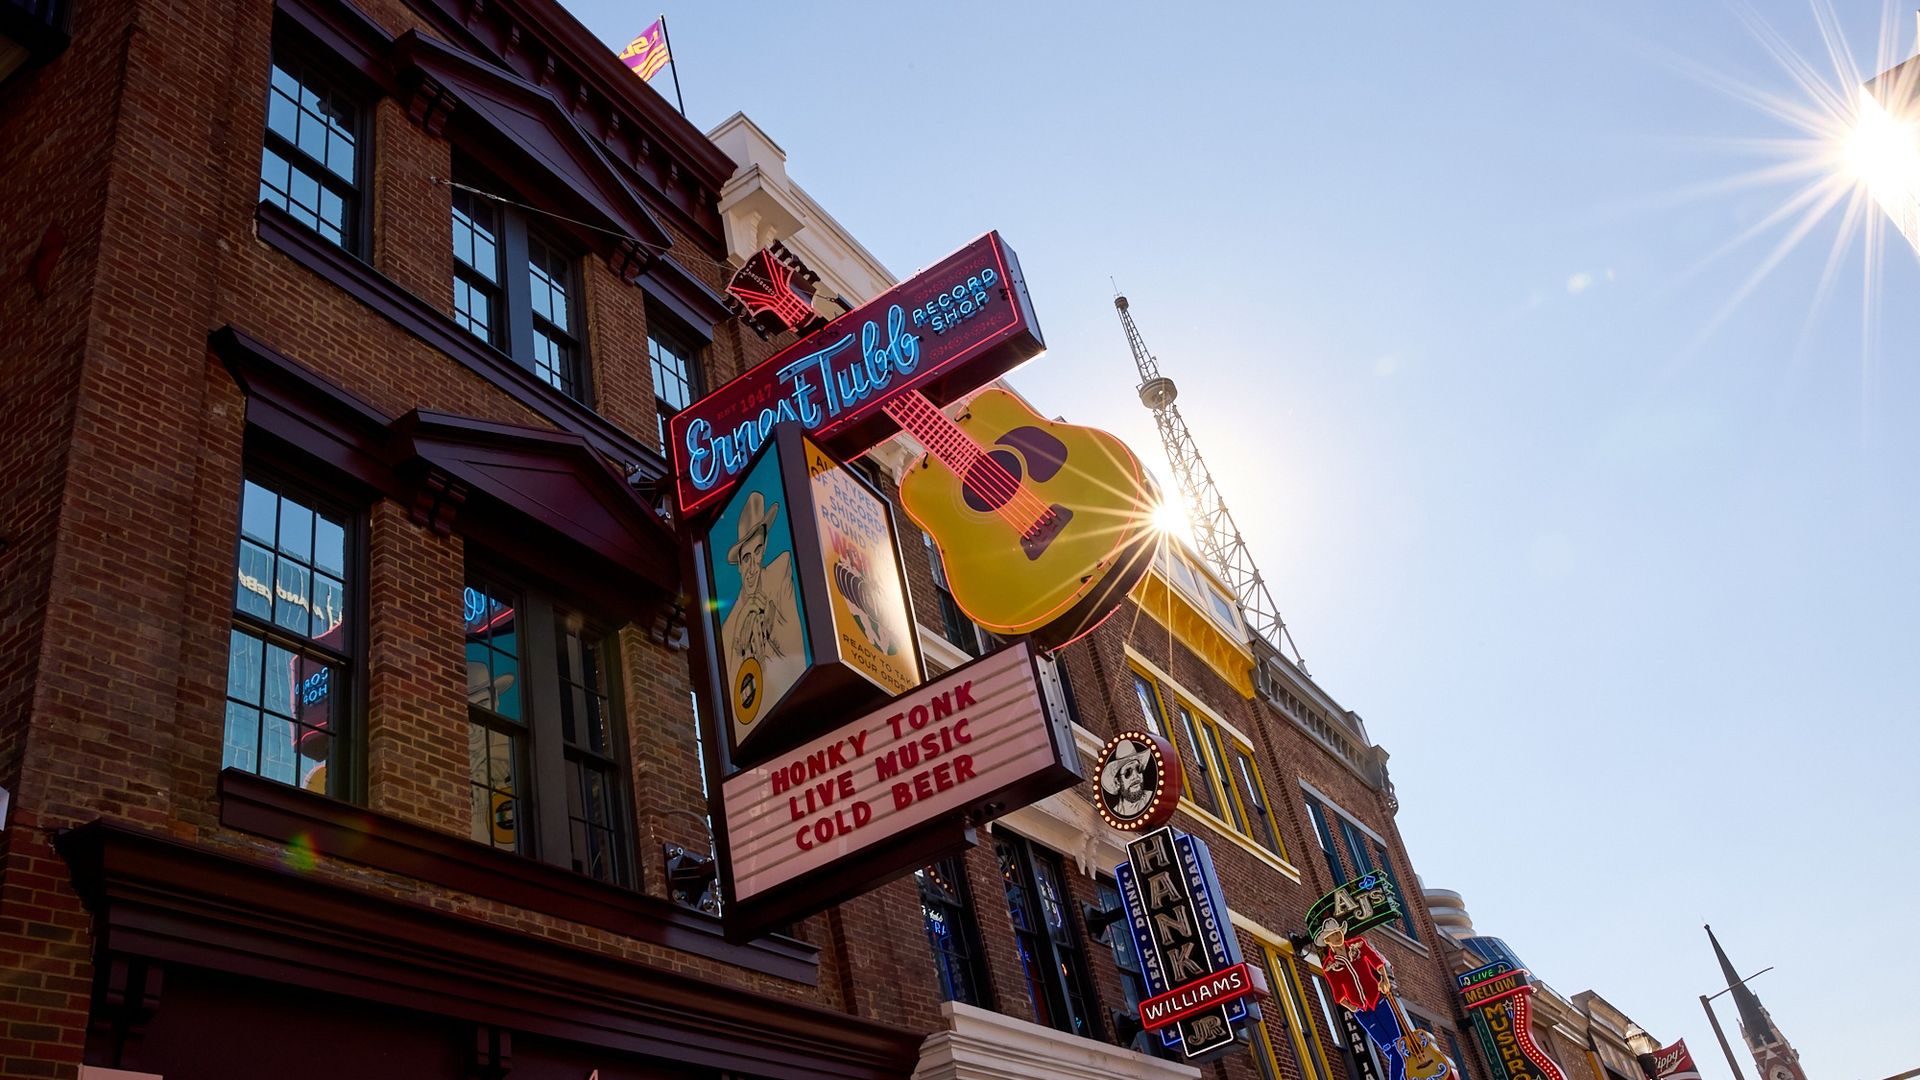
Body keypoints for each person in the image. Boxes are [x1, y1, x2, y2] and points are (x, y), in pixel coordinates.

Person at [719, 491, 807, 727]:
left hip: (795, 705)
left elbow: (797, 651)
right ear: (738, 565)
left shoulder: (780, 574)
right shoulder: (727, 628)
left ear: (765, 547)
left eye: (757, 552)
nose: (753, 566)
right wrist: (740, 628)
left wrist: (769, 624)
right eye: (746, 558)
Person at [1100, 738, 1156, 820]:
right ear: (1117, 782)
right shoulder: (1116, 813)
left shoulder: (1151, 798)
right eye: (1128, 772)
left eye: (1138, 769)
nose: (1135, 776)